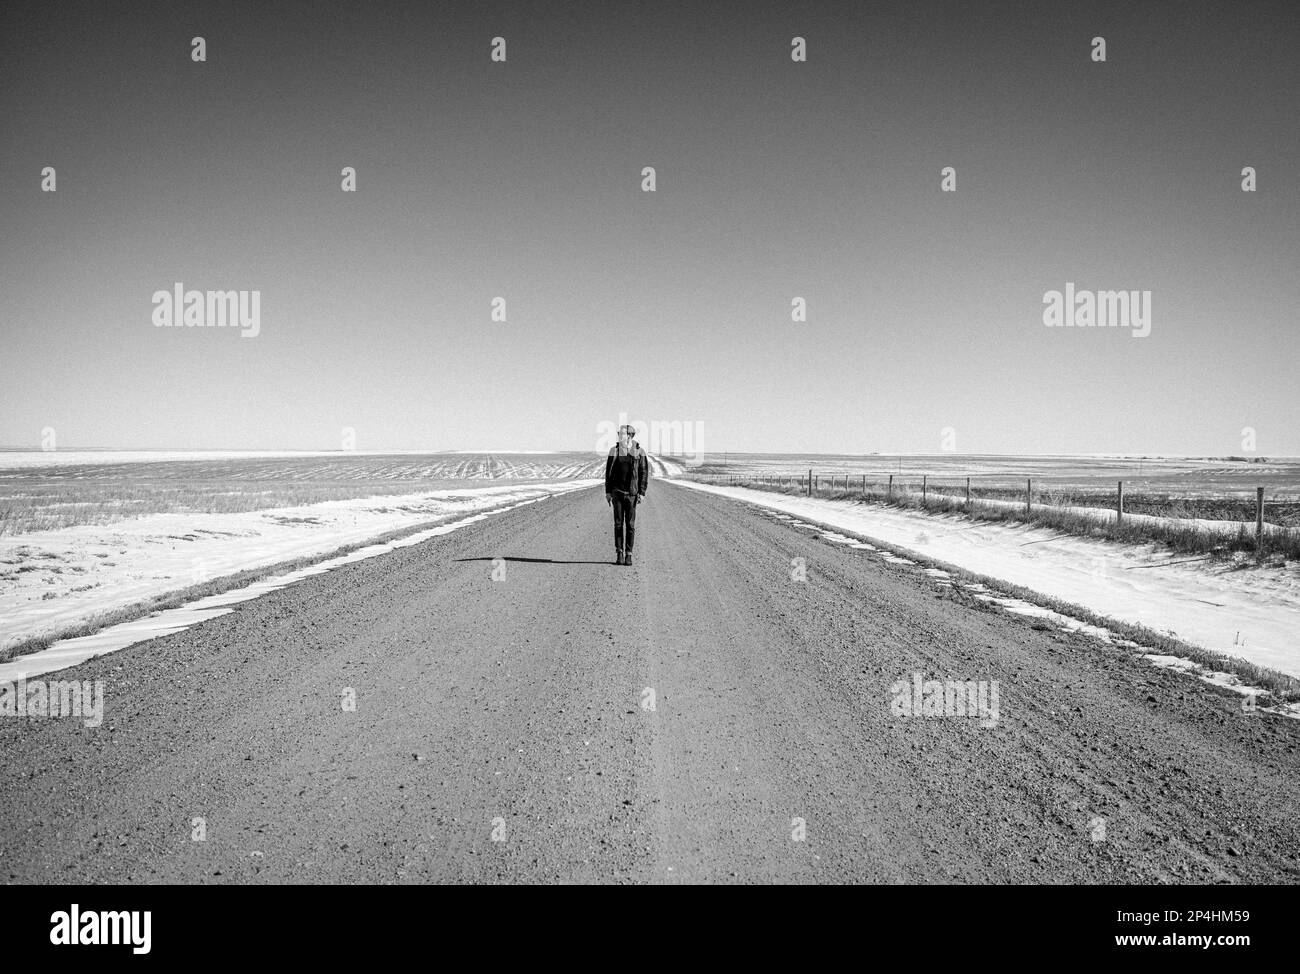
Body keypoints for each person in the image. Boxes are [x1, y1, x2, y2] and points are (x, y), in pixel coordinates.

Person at [604, 424, 649, 565]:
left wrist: (642, 492)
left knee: (630, 525)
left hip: (631, 494)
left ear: (630, 436)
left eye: (622, 434)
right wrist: (608, 491)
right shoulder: (614, 450)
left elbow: (644, 472)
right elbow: (608, 473)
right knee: (618, 525)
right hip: (617, 493)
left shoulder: (639, 451)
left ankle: (629, 554)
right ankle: (619, 553)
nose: (619, 436)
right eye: (619, 434)